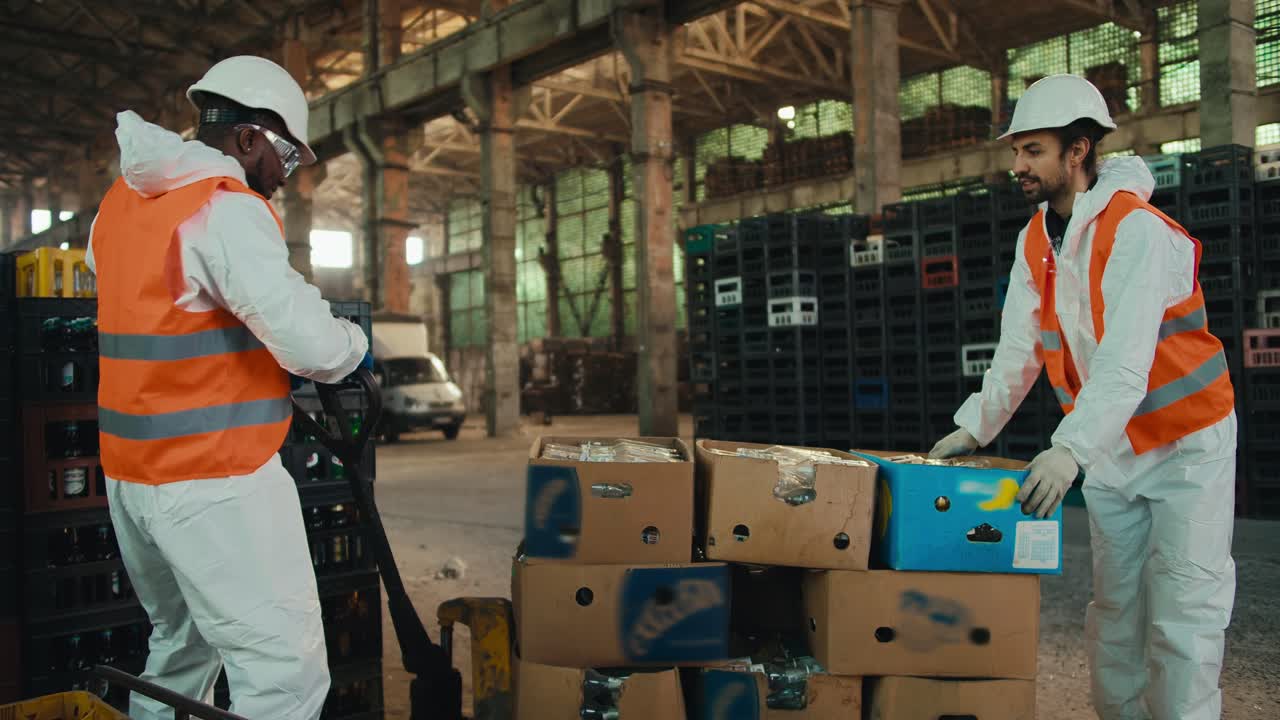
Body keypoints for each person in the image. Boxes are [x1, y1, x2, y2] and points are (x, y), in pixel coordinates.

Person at [928, 74, 1237, 720]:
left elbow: (1125, 361)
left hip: (1185, 445)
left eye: (1033, 150)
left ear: (1078, 151)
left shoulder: (1137, 231)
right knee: (1115, 608)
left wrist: (1068, 451)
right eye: (1016, 151)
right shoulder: (1036, 240)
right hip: (1111, 449)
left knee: (1184, 612)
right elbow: (1019, 349)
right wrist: (975, 427)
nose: (1018, 165)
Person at [87, 55, 371, 720]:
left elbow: (171, 313)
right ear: (248, 138)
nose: (284, 175)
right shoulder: (224, 209)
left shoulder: (120, 205)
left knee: (181, 650)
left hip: (134, 480)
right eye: (285, 156)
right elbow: (309, 346)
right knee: (283, 672)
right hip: (214, 482)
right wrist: (355, 346)